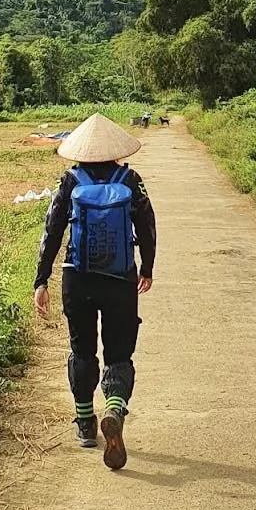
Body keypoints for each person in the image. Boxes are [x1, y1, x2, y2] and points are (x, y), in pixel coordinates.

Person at [34, 113, 156, 470]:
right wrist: (146, 268)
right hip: (120, 278)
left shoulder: (69, 181)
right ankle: (115, 409)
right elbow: (147, 226)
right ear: (115, 150)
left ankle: (86, 423)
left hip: (79, 278)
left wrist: (42, 279)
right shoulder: (131, 179)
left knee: (82, 348)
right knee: (119, 353)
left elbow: (52, 231)